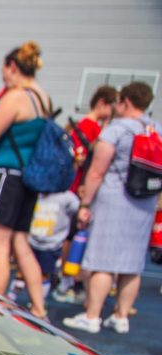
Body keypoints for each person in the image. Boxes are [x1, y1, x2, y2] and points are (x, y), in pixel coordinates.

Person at [63, 82, 159, 334]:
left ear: (126, 102)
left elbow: (96, 171)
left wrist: (85, 202)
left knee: (103, 261)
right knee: (132, 264)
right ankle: (121, 315)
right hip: (144, 203)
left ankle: (92, 315)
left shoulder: (117, 130)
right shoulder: (155, 129)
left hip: (114, 200)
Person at [0, 41, 52, 318]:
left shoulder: (17, 96)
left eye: (4, 71)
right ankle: (40, 308)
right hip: (26, 178)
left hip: (5, 175)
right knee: (20, 244)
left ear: (12, 67)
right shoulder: (43, 99)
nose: (3, 77)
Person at [54, 85, 117, 303]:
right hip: (75, 190)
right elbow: (81, 159)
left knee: (73, 237)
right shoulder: (89, 126)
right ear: (102, 103)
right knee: (70, 237)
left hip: (78, 189)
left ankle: (69, 280)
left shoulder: (93, 127)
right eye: (111, 105)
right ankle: (67, 280)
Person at [16, 189, 79, 301]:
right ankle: (11, 297)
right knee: (21, 272)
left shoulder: (68, 197)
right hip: (32, 240)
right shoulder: (37, 192)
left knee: (44, 274)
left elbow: (77, 210)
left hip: (51, 244)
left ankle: (38, 303)